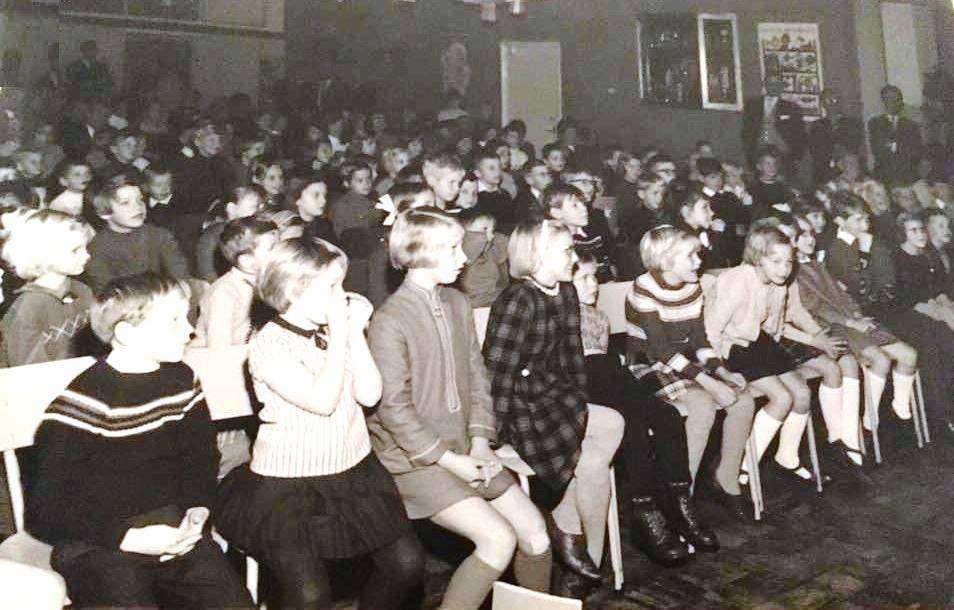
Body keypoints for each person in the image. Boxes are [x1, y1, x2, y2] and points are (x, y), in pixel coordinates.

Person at [215, 237, 425, 609]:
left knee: (405, 565)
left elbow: (370, 395)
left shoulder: (331, 332)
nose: (342, 296)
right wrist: (342, 333)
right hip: (290, 484)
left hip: (353, 470)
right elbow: (322, 402)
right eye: (331, 287)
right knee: (310, 596)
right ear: (292, 291)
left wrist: (354, 334)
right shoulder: (268, 345)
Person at [25, 272, 254, 609]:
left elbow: (200, 458)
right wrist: (127, 538)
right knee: (125, 594)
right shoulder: (85, 403)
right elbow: (45, 508)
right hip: (96, 541)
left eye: (187, 316)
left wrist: (197, 510)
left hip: (171, 532)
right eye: (174, 320)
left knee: (231, 601)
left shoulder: (181, 379)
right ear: (127, 333)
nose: (190, 330)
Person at [368, 207, 551, 609]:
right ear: (420, 254)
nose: (464, 257)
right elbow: (394, 410)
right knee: (497, 540)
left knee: (535, 533)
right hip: (415, 462)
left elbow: (478, 375)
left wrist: (481, 441)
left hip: (466, 450)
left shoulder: (456, 302)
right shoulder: (389, 320)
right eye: (453, 248)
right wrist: (452, 460)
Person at [483, 217, 624, 586]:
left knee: (609, 430)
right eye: (566, 251)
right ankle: (581, 545)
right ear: (538, 255)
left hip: (554, 397)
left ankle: (577, 541)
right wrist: (493, 436)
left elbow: (573, 358)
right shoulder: (517, 300)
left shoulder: (565, 293)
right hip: (521, 406)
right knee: (594, 454)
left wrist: (577, 400)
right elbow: (497, 374)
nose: (573, 258)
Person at [627, 226, 754, 521]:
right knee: (703, 406)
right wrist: (709, 382)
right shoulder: (644, 287)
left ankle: (726, 478)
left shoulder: (692, 286)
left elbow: (699, 341)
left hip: (685, 363)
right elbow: (659, 350)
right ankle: (683, 495)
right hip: (649, 363)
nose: (699, 260)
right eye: (691, 255)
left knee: (743, 399)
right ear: (666, 261)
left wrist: (721, 370)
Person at [705, 223, 845, 484]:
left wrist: (814, 338)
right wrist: (718, 368)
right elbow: (712, 330)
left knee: (802, 393)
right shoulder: (736, 281)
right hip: (731, 347)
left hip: (760, 342)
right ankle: (742, 468)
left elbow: (776, 328)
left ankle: (787, 457)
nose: (784, 268)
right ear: (758, 258)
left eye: (788, 262)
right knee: (781, 398)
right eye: (776, 261)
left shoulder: (778, 283)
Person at [785, 214, 918, 460]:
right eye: (802, 235)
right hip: (833, 326)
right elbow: (816, 308)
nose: (809, 238)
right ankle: (868, 426)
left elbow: (843, 296)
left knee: (909, 355)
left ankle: (888, 415)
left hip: (850, 320)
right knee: (880, 359)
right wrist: (852, 322)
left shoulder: (817, 264)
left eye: (810, 233)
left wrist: (857, 314)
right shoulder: (793, 272)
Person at [0, 208, 94, 366]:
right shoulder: (29, 307)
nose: (87, 255)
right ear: (44, 254)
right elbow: (27, 366)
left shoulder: (83, 290)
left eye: (86, 247)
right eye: (75, 250)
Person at [85, 176, 189, 293]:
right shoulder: (97, 249)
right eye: (125, 203)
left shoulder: (159, 235)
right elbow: (106, 293)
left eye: (140, 200)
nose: (138, 207)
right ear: (104, 213)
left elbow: (180, 275)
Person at [192, 217, 277, 348]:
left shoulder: (267, 284)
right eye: (272, 248)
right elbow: (219, 349)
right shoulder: (224, 293)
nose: (282, 253)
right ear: (246, 260)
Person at [195, 185, 266, 283]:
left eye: (258, 208)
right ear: (231, 208)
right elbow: (208, 273)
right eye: (253, 207)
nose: (257, 213)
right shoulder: (211, 237)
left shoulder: (258, 232)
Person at [868, 85, 923, 186]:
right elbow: (878, 148)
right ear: (883, 101)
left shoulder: (911, 125)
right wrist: (902, 145)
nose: (893, 102)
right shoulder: (875, 123)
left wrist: (892, 145)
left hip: (907, 176)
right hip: (884, 177)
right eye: (889, 98)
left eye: (897, 98)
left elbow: (916, 151)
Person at [457, 207, 509, 308]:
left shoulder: (493, 251)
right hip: (472, 305)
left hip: (495, 302)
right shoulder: (458, 258)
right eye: (484, 229)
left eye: (492, 230)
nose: (491, 236)